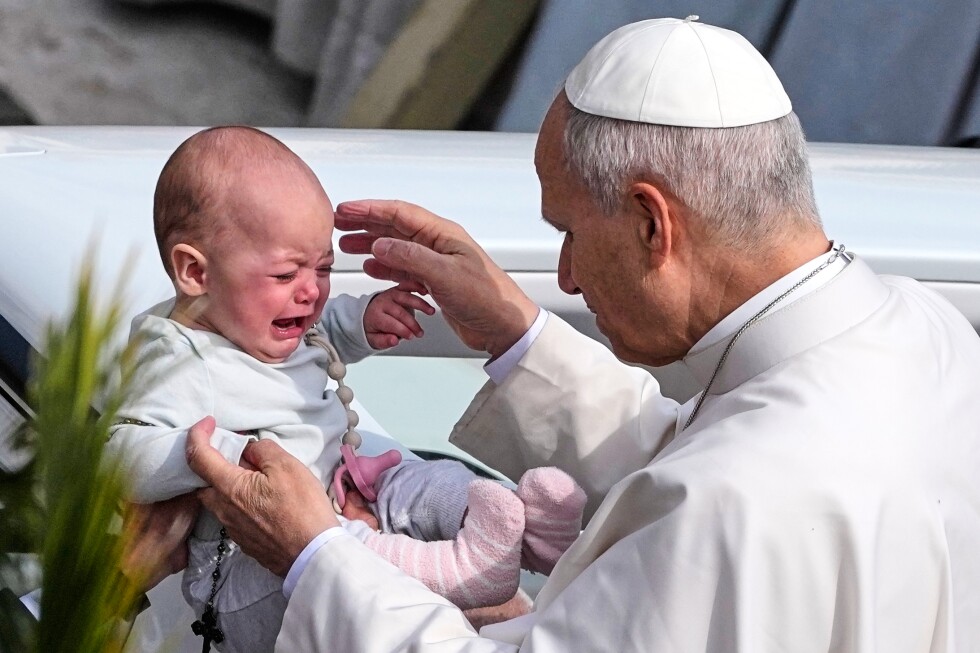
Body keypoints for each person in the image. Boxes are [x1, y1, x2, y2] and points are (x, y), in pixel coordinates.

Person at [184, 17, 980, 653]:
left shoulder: (731, 503)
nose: (564, 276)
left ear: (651, 222)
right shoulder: (927, 332)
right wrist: (515, 332)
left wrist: (316, 556)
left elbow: (713, 487)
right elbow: (701, 449)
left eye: (569, 231)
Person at [106, 127, 586, 652]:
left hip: (342, 487)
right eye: (286, 274)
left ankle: (526, 531)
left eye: (324, 268)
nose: (311, 291)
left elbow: (321, 332)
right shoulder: (178, 357)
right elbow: (119, 451)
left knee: (420, 480)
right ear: (195, 272)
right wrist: (212, 453)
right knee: (344, 550)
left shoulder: (253, 321)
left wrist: (363, 320)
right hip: (250, 569)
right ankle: (461, 570)